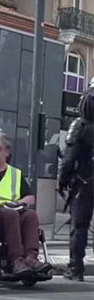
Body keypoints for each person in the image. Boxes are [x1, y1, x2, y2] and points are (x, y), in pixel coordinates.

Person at [0, 130, 51, 277]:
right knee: (11, 215)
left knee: (30, 215)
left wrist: (19, 203)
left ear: (7, 152)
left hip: (12, 209)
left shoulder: (15, 173)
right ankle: (16, 259)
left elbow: (30, 197)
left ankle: (31, 258)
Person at [58, 87, 94, 282]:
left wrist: (62, 180)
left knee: (79, 226)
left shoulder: (79, 126)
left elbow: (68, 159)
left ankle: (76, 268)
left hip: (83, 183)